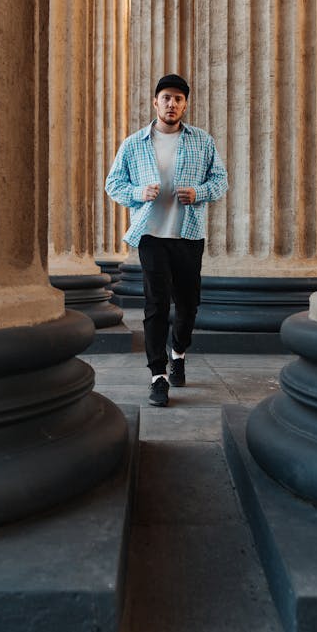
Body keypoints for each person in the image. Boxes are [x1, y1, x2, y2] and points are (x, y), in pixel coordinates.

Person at [105, 73, 228, 407]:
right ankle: (158, 375)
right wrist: (138, 192)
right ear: (155, 102)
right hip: (150, 235)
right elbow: (113, 184)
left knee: (188, 305)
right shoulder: (134, 143)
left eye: (178, 98)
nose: (171, 103)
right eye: (166, 97)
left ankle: (179, 353)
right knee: (156, 304)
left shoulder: (202, 141)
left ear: (185, 104)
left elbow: (221, 180)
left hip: (188, 235)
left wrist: (199, 192)